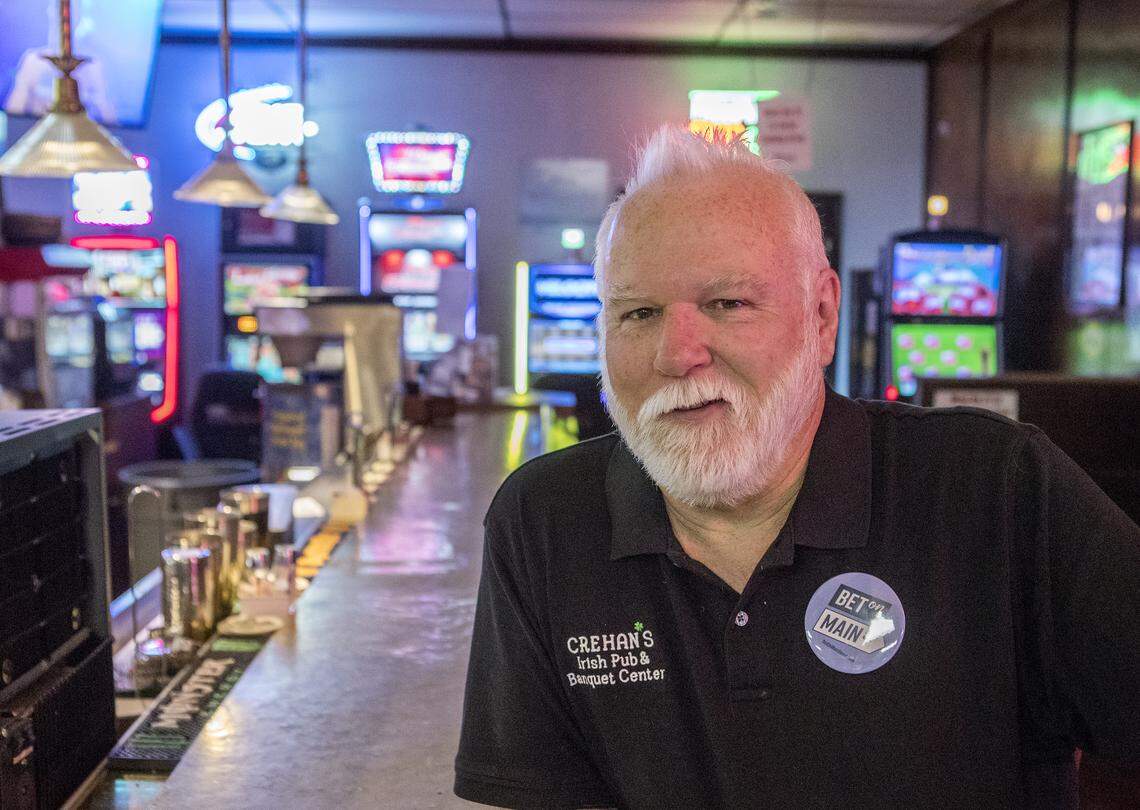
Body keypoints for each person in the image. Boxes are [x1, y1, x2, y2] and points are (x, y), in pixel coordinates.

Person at [455, 126, 1140, 808]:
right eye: (639, 312)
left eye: (728, 303)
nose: (678, 352)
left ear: (821, 315)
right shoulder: (543, 521)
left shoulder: (996, 488)